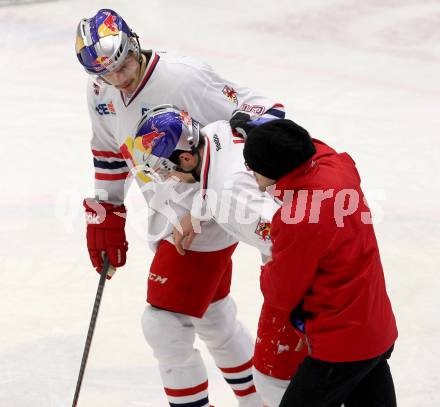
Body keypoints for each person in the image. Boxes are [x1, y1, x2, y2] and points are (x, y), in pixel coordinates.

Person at [75, 8, 288, 406]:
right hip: (168, 215)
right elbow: (108, 151)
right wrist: (107, 213)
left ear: (134, 43)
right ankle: (257, 402)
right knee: (213, 316)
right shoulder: (100, 91)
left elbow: (265, 113)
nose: (119, 78)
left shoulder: (182, 77)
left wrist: (209, 198)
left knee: (164, 325)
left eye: (124, 64)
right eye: (107, 73)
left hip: (208, 220)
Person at [131, 105, 309, 407]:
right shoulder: (214, 132)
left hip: (306, 275)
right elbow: (220, 175)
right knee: (218, 323)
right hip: (306, 228)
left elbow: (289, 242)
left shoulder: (232, 196)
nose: (169, 178)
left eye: (168, 169)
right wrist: (199, 211)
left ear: (186, 158)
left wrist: (293, 301)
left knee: (274, 381)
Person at [242, 118, 398, 406]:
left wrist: (266, 267)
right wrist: (263, 130)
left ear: (272, 170)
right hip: (375, 327)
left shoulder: (296, 217)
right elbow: (313, 145)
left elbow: (280, 293)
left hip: (340, 344)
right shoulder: (337, 168)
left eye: (252, 168)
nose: (252, 176)